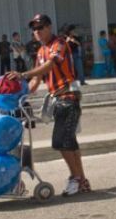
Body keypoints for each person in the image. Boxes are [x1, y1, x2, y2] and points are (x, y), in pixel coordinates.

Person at [6, 14, 91, 197]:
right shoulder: (40, 52)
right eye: (34, 29)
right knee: (70, 141)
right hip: (57, 99)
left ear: (49, 27)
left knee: (60, 141)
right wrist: (19, 95)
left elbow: (50, 66)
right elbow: (37, 79)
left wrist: (22, 74)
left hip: (68, 96)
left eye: (41, 27)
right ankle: (81, 180)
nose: (37, 32)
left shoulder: (58, 43)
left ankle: (75, 179)